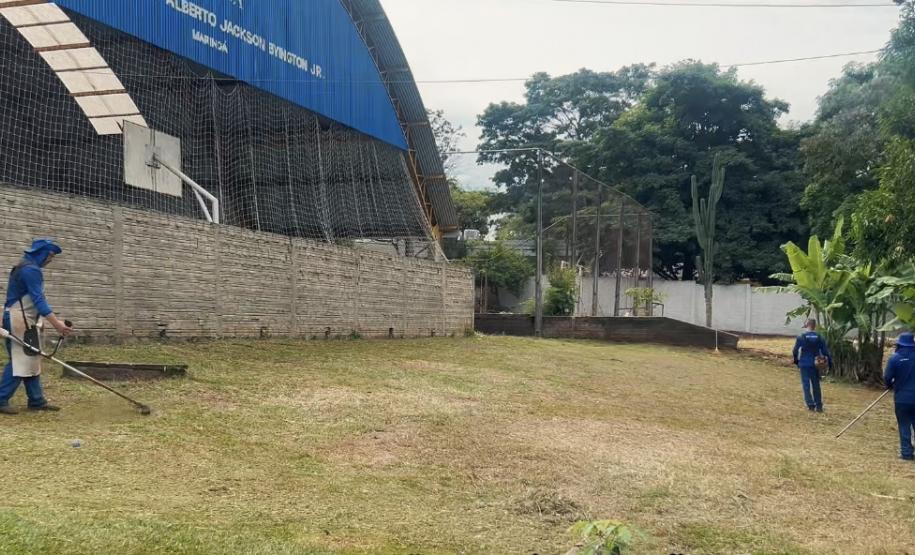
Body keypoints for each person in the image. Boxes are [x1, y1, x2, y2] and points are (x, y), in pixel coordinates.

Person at [0, 239, 72, 415]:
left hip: (23, 318)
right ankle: (1, 399)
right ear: (42, 253)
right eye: (50, 256)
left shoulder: (25, 267)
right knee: (20, 360)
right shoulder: (31, 270)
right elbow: (39, 301)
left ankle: (36, 401)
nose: (51, 260)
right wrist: (57, 325)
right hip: (19, 319)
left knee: (31, 357)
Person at [884, 332, 915, 461]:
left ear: (899, 344)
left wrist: (890, 385)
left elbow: (887, 377)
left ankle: (906, 453)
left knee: (904, 424)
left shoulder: (895, 358)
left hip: (902, 398)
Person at [792, 318, 832, 412]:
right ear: (815, 326)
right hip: (815, 363)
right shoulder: (819, 337)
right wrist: (829, 362)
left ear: (806, 325)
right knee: (816, 384)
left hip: (804, 363)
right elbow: (825, 352)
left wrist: (796, 360)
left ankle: (810, 404)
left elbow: (795, 351)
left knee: (806, 384)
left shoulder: (801, 337)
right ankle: (819, 406)